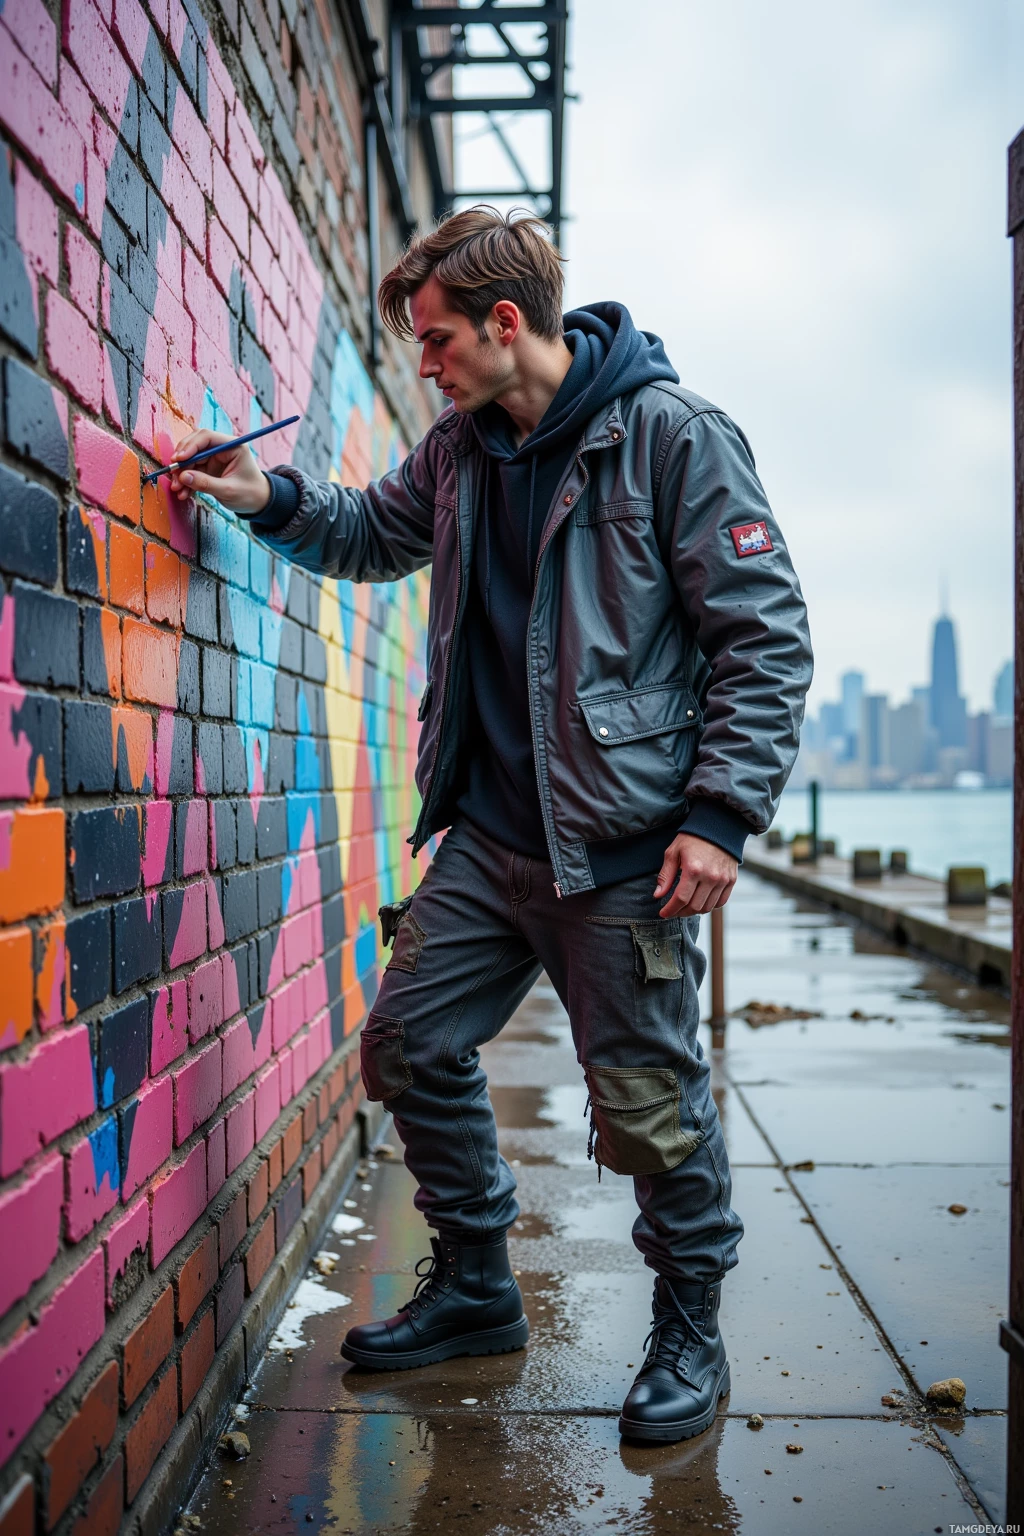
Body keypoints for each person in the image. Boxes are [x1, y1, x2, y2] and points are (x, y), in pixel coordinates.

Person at [168, 206, 812, 1444]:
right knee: (407, 1046)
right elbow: (369, 533)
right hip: (488, 839)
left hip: (622, 853)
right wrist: (262, 493)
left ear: (505, 324)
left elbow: (763, 636)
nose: (427, 363)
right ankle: (474, 1285)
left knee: (646, 1104)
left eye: (436, 338)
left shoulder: (670, 439)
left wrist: (722, 818)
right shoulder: (462, 450)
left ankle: (690, 1331)